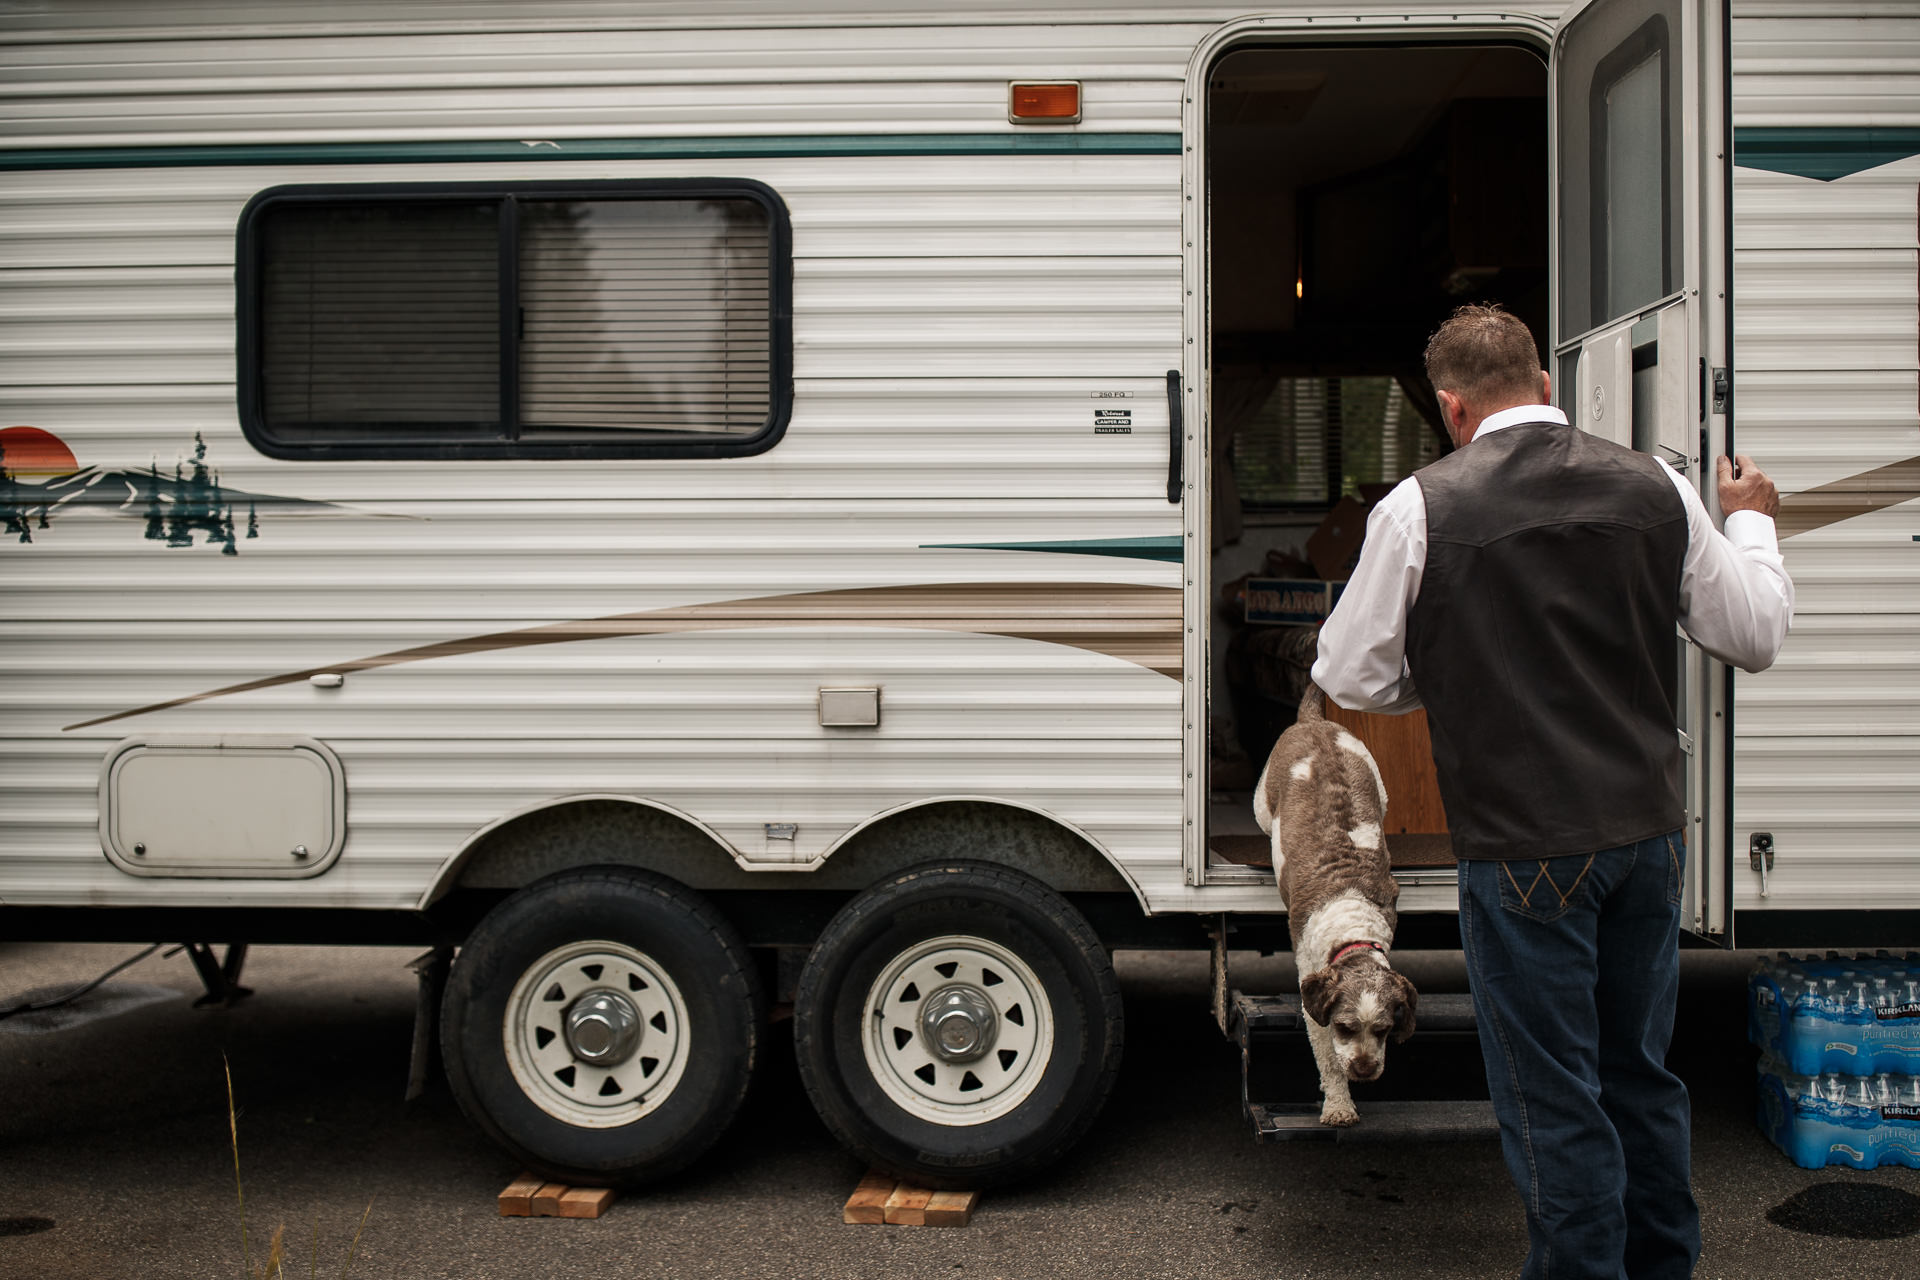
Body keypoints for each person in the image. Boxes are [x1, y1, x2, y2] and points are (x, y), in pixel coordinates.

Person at [1311, 304, 1794, 1280]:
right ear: (1543, 386)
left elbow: (1350, 674)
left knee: (1554, 1098)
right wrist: (1751, 520)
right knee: (1641, 1081)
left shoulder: (1417, 507)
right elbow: (1756, 634)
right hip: (1649, 836)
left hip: (1523, 849)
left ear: (1450, 407)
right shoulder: (1656, 485)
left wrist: (1443, 676)